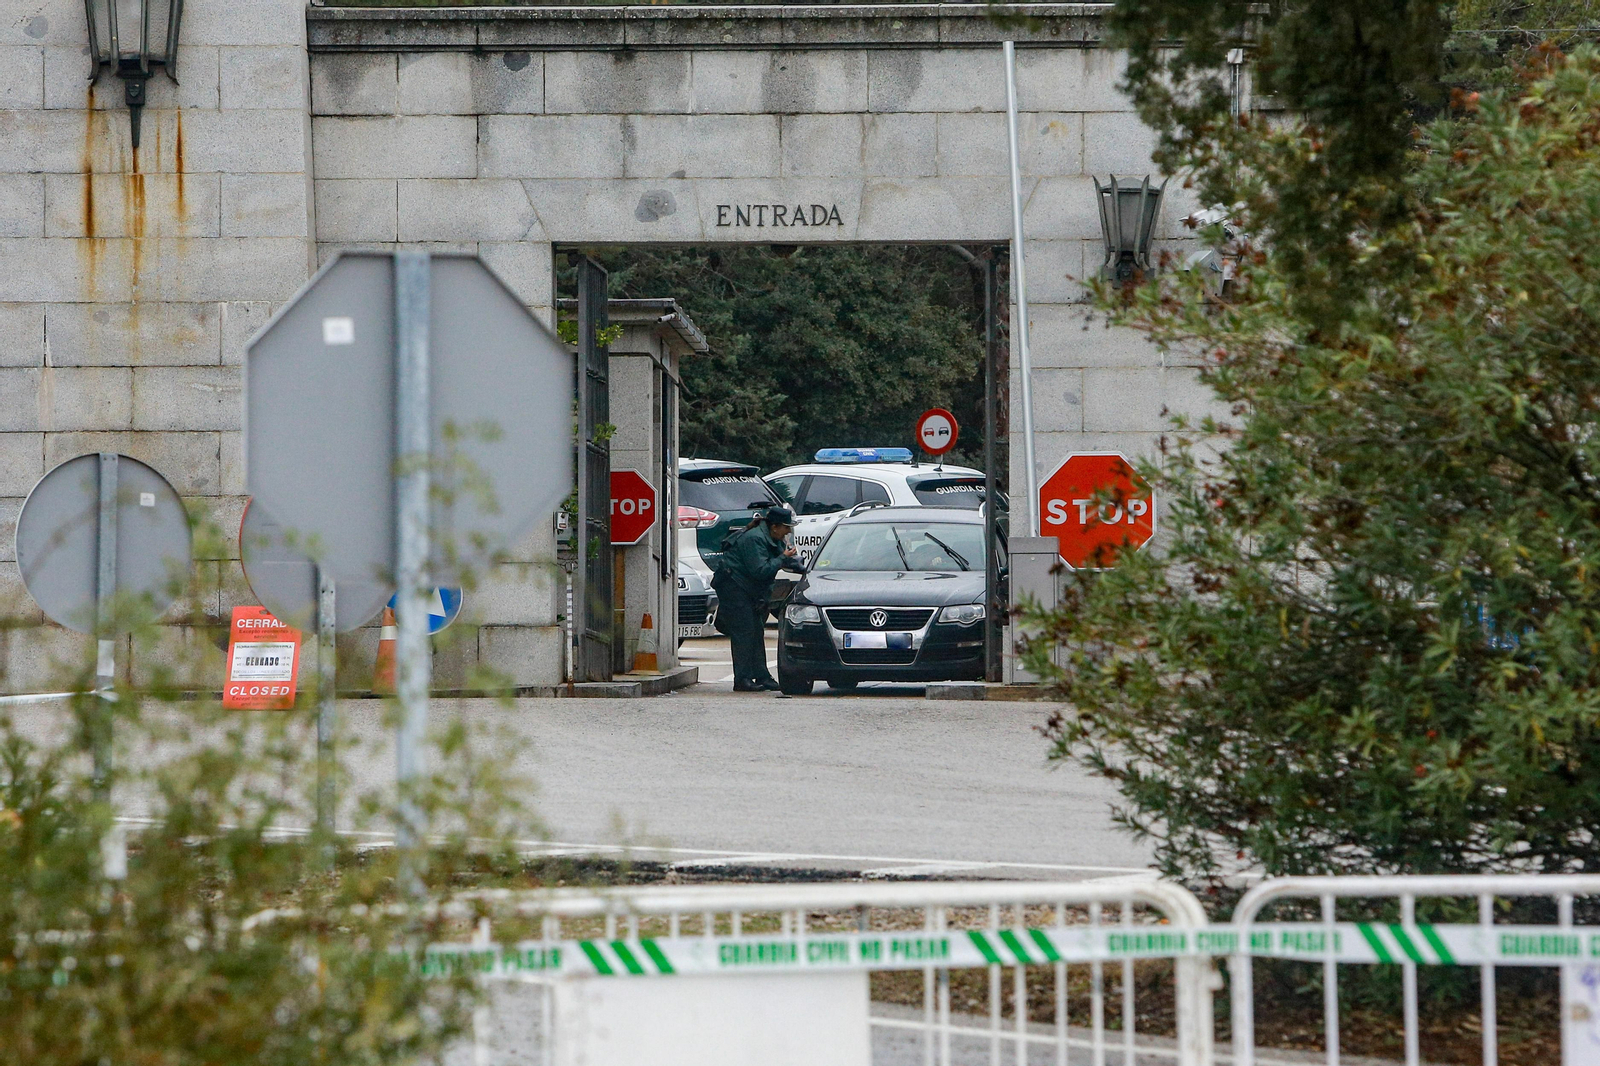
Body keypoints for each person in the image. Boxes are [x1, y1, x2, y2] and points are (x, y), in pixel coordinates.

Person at [711, 506, 805, 691]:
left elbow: (774, 563)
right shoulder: (754, 539)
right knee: (744, 632)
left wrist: (797, 565)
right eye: (787, 527)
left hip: (748, 588)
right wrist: (783, 558)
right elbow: (760, 570)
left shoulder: (773, 537)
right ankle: (742, 679)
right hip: (734, 586)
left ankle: (762, 676)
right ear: (775, 526)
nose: (789, 531)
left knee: (756, 630)